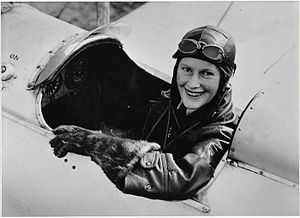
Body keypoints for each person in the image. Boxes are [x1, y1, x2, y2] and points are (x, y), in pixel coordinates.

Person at [50, 25, 238, 200]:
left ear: (225, 78)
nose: (192, 83)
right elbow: (139, 123)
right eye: (187, 69)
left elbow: (181, 178)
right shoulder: (174, 102)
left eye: (206, 73)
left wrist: (96, 144)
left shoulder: (220, 133)